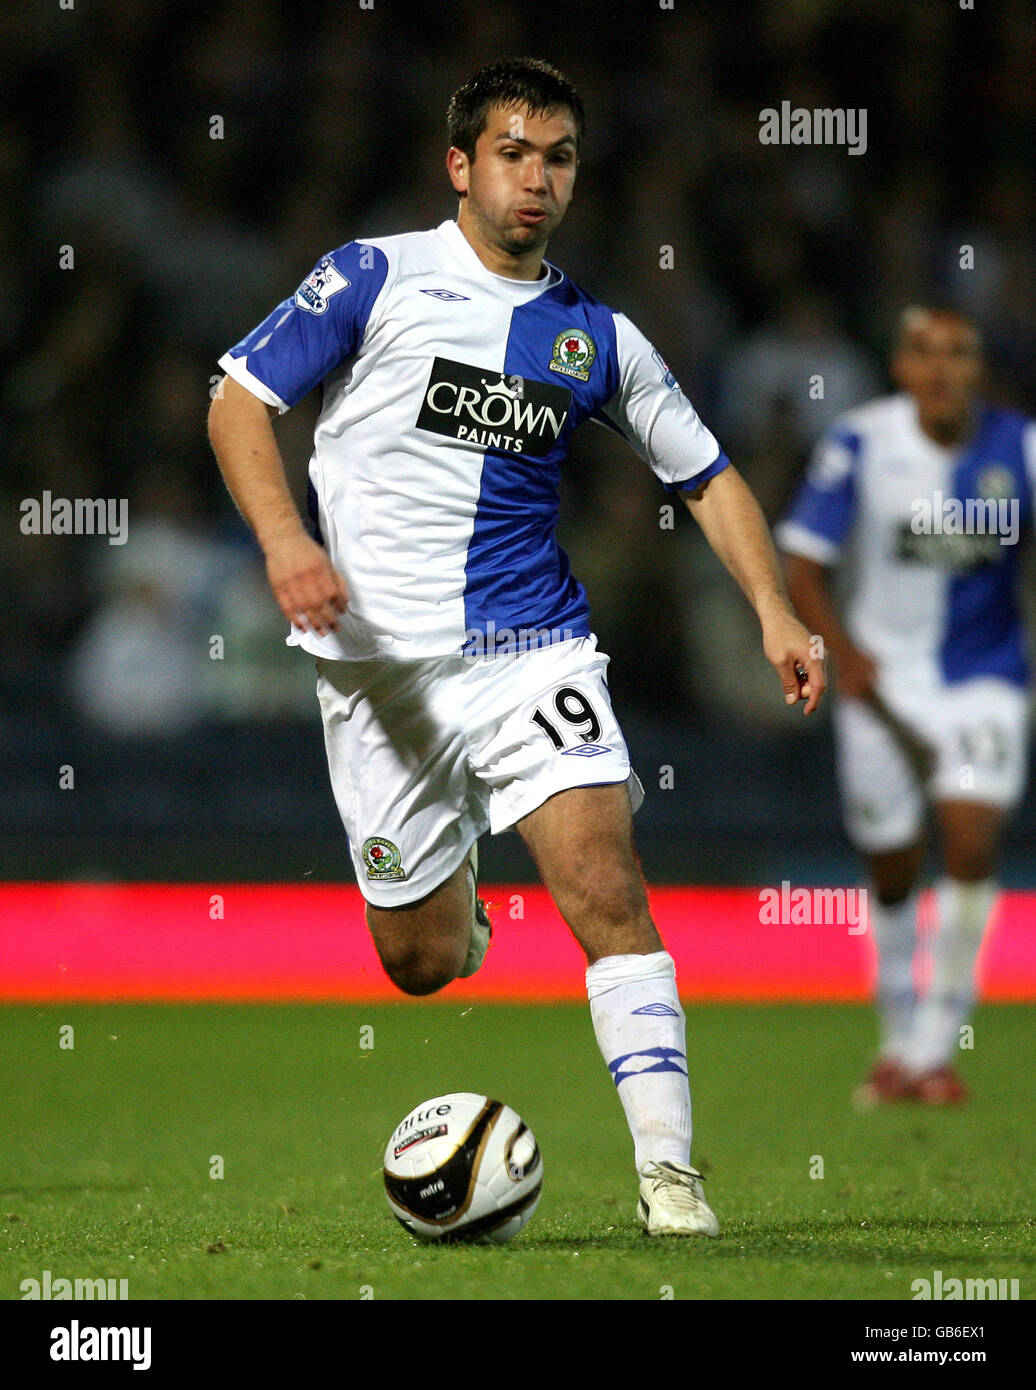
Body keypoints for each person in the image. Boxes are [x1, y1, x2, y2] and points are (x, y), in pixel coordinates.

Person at [208, 58, 824, 1236]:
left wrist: (774, 609)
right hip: (377, 678)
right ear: (461, 164)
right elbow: (237, 401)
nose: (535, 180)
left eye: (558, 159)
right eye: (512, 153)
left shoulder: (595, 334)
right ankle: (458, 908)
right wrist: (286, 541)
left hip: (528, 648)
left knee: (604, 884)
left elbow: (704, 475)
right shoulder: (374, 275)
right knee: (423, 964)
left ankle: (670, 1179)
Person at [777, 305, 1034, 1107]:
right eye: (926, 353)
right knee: (890, 866)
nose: (944, 369)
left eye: (960, 353)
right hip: (879, 681)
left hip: (983, 679)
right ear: (901, 368)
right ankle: (895, 1038)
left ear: (978, 369)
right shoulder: (860, 441)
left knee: (969, 834)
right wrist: (841, 655)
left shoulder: (1021, 447)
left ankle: (932, 1049)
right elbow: (804, 559)